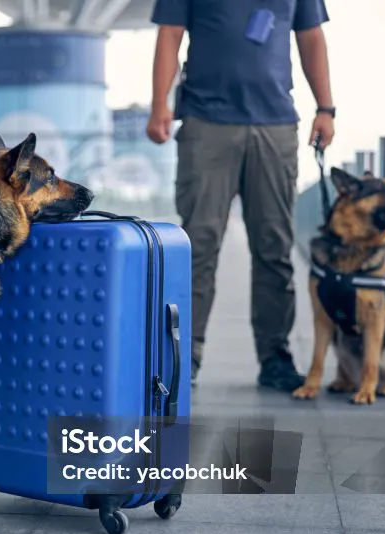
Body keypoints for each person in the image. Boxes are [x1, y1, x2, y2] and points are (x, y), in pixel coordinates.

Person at [146, 0, 335, 392]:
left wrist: (325, 108)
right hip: (205, 123)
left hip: (276, 124)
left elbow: (311, 36)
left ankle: (275, 357)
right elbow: (170, 34)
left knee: (275, 247)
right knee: (198, 245)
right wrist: (159, 104)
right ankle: (184, 356)